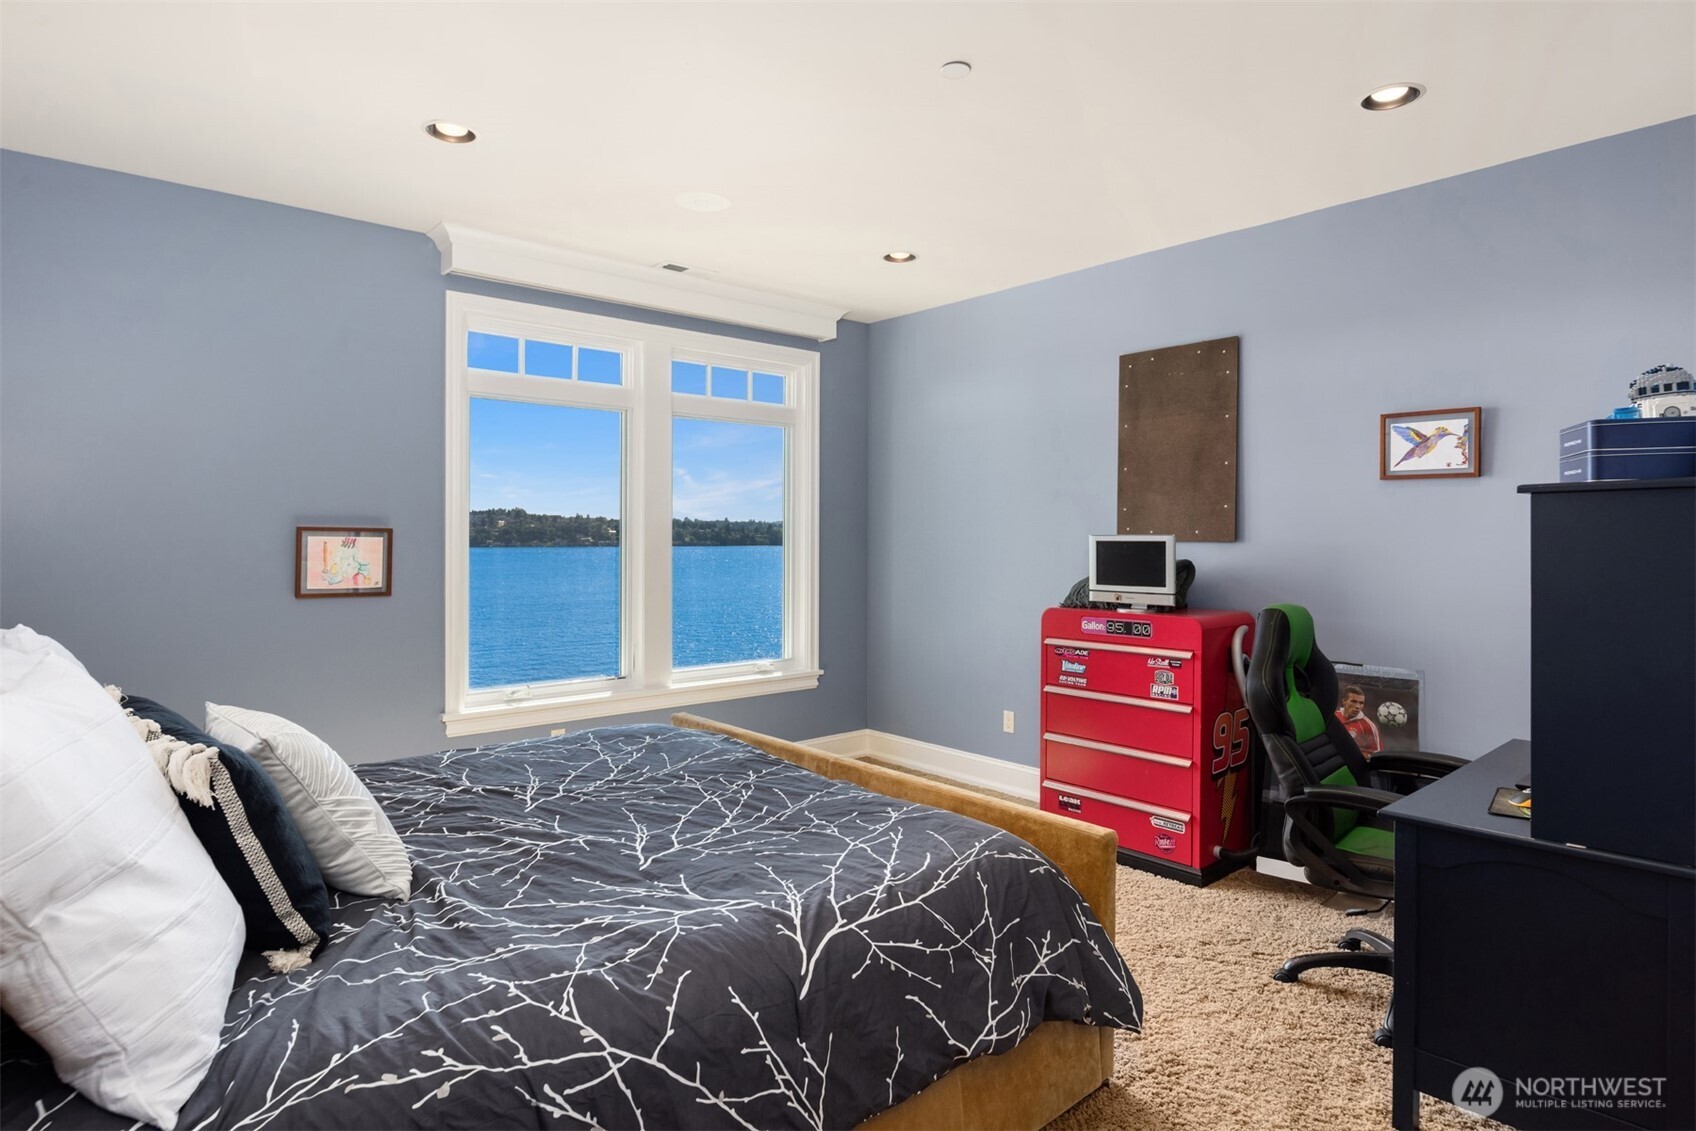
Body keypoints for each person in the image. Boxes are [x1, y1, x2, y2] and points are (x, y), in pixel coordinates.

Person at [1336, 684, 1382, 758]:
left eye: (1361, 703)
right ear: (1344, 701)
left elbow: (1377, 755)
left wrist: (1356, 755)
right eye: (1354, 701)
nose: (1358, 706)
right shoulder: (1333, 717)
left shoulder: (1369, 726)